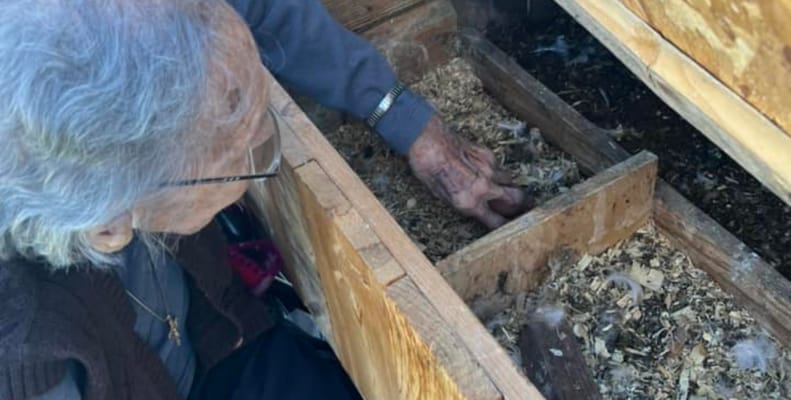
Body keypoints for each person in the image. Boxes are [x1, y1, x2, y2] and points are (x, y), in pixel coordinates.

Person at [0, 0, 532, 399]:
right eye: (238, 151)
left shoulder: (105, 17)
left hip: (226, 343)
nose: (260, 142)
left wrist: (406, 122)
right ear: (109, 226)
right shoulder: (32, 353)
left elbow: (257, 8)